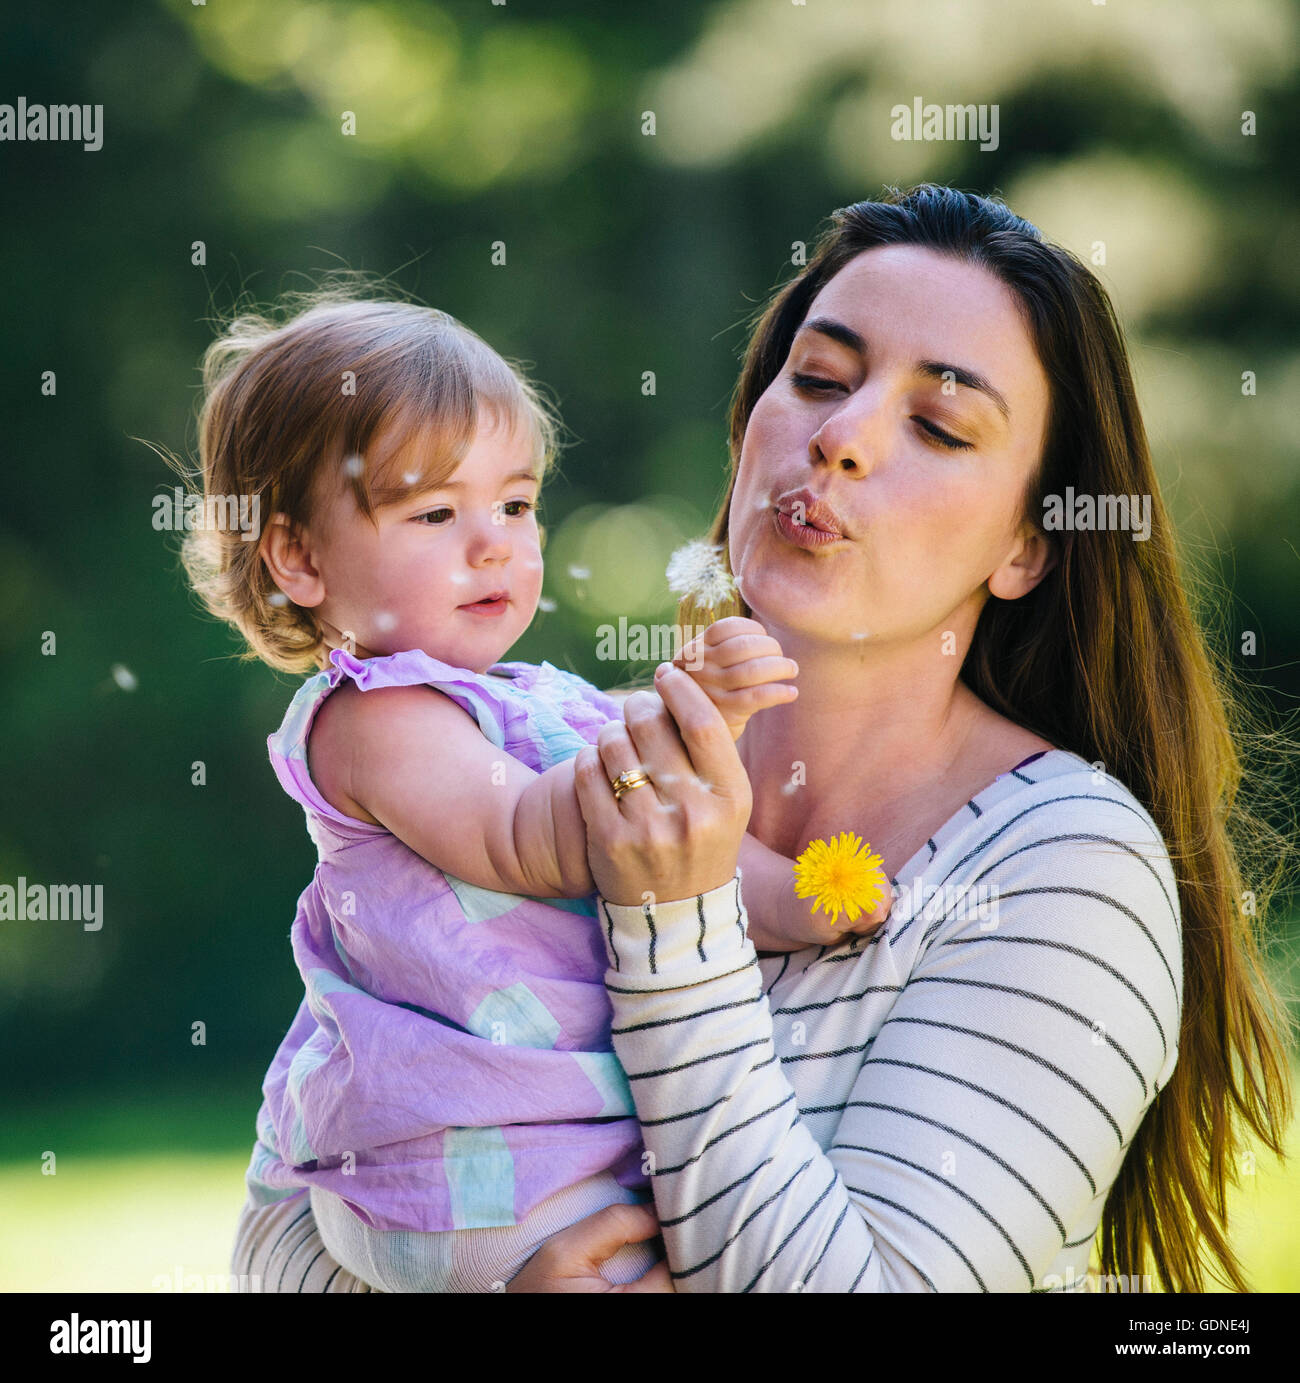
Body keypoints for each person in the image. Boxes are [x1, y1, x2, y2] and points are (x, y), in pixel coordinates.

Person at [236, 186, 1295, 1294]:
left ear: (1027, 545)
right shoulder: (566, 757)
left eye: (937, 426)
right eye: (821, 380)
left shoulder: (1062, 867)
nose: (839, 437)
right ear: (748, 426)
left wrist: (674, 917)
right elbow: (290, 1213)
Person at [182, 293, 884, 1293]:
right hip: (464, 1170)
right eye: (435, 514)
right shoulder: (372, 722)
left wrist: (799, 893)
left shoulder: (535, 701)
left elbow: (689, 836)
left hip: (550, 1135)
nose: (494, 545)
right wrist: (684, 721)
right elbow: (533, 836)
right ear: (298, 556)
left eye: (514, 505)